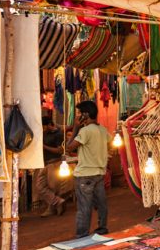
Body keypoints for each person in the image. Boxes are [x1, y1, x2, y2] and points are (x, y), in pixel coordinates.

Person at [66, 101, 110, 237]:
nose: (77, 116)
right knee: (101, 203)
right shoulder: (102, 130)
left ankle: (82, 234)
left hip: (85, 175)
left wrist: (75, 129)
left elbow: (69, 147)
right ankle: (102, 228)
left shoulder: (85, 131)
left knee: (84, 207)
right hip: (99, 173)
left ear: (85, 114)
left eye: (79, 113)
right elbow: (109, 143)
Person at [37, 116, 67, 217]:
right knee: (40, 186)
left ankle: (52, 208)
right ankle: (58, 201)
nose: (43, 129)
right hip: (45, 163)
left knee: (53, 187)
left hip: (54, 163)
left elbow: (60, 150)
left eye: (44, 127)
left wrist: (44, 146)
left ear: (50, 125)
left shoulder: (58, 134)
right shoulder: (44, 134)